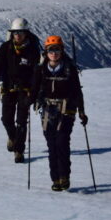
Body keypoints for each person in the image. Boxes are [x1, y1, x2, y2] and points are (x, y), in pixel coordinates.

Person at [31, 35, 87, 191]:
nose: (54, 53)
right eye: (51, 50)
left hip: (66, 109)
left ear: (62, 51)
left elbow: (77, 91)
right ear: (46, 52)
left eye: (56, 50)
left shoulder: (69, 68)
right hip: (47, 110)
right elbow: (34, 90)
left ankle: (64, 176)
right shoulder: (40, 69)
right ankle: (55, 179)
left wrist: (81, 111)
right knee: (52, 146)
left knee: (61, 142)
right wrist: (26, 104)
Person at [0, 18, 40, 163]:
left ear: (25, 33)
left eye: (20, 32)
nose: (17, 35)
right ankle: (12, 137)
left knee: (21, 122)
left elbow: (37, 73)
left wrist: (35, 92)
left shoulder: (32, 50)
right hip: (8, 89)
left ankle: (19, 151)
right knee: (6, 119)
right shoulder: (5, 48)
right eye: (15, 32)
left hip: (26, 91)